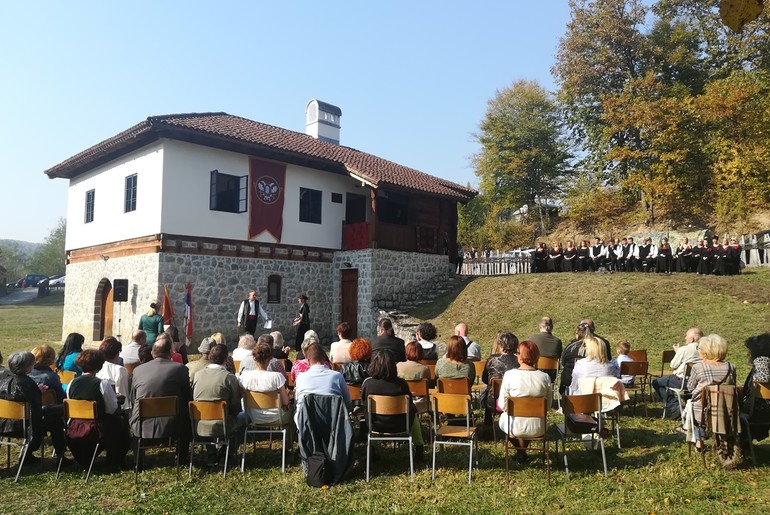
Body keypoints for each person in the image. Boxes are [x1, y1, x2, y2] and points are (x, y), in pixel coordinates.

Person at [130, 337, 192, 463]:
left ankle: (138, 462)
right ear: (170, 353)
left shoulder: (137, 370)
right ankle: (181, 459)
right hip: (173, 424)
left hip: (142, 423)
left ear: (152, 353)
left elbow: (133, 398)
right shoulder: (180, 369)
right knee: (186, 416)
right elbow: (187, 397)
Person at [67, 349, 130, 470]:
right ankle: (117, 459)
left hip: (76, 425)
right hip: (98, 427)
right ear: (99, 365)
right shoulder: (102, 384)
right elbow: (111, 408)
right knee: (120, 421)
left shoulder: (72, 383)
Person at [361, 350, 425, 458]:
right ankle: (419, 446)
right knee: (412, 411)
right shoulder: (401, 384)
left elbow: (364, 402)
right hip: (401, 423)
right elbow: (409, 402)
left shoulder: (368, 384)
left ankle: (371, 448)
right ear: (393, 366)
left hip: (375, 424)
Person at [497, 340, 551, 464]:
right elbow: (547, 406)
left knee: (505, 419)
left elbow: (502, 404)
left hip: (514, 425)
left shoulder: (509, 375)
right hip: (538, 426)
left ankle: (520, 452)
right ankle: (522, 452)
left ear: (520, 357)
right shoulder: (545, 377)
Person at [683, 334, 736, 450]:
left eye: (699, 348)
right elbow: (733, 385)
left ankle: (699, 443)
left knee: (694, 407)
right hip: (725, 410)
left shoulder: (698, 367)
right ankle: (723, 440)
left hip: (703, 412)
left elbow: (690, 387)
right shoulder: (731, 367)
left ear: (705, 352)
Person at [192, 344, 243, 457]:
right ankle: (227, 453)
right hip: (222, 424)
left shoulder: (197, 375)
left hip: (198, 423)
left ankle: (211, 452)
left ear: (209, 357)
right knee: (243, 419)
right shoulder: (229, 378)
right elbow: (236, 406)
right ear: (226, 359)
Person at [238, 340, 293, 439]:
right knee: (293, 410)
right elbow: (285, 402)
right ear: (271, 358)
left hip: (252, 416)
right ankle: (289, 445)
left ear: (254, 358)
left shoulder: (244, 377)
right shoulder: (277, 377)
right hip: (276, 416)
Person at [652, 327, 703, 420]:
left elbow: (673, 365)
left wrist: (678, 352)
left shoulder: (684, 349)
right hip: (698, 381)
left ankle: (675, 407)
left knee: (656, 382)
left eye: (686, 336)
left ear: (691, 339)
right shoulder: (705, 349)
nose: (685, 338)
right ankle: (689, 406)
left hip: (682, 380)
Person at [27, 346, 68, 464]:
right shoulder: (51, 377)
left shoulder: (25, 376)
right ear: (50, 359)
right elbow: (61, 398)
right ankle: (60, 455)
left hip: (24, 417)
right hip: (44, 416)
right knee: (57, 422)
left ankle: (28, 452)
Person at [293, 343, 351, 410]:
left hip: (307, 418)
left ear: (307, 360)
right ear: (324, 357)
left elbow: (297, 403)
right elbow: (348, 403)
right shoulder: (337, 377)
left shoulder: (300, 378)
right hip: (333, 418)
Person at [482, 332, 519, 427]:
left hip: (494, 401)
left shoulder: (492, 360)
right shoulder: (520, 361)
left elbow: (485, 379)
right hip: (515, 399)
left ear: (501, 345)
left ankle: (488, 429)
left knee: (488, 393)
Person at [740, 333, 770, 441]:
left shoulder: (762, 360)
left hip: (760, 408)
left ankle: (741, 441)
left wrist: (754, 382)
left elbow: (764, 377)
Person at [96, 337, 131, 410]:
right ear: (116, 354)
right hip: (113, 409)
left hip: (97, 407)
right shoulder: (120, 370)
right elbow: (122, 393)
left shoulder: (95, 367)